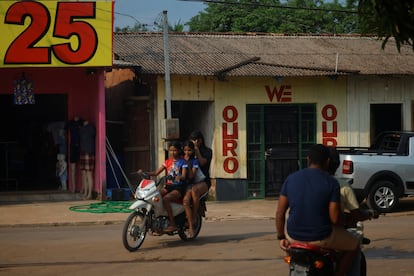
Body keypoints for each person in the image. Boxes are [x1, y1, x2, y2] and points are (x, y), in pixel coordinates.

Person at [276, 144, 359, 276]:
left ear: (308, 159)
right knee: (354, 245)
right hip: (320, 237)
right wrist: (347, 220)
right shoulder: (331, 183)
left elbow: (280, 214)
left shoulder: (291, 178)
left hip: (292, 237)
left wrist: (281, 237)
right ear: (327, 161)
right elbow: (335, 218)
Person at [139, 141, 188, 233]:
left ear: (179, 151)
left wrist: (179, 177)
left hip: (178, 188)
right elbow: (156, 172)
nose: (172, 152)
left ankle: (172, 224)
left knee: (166, 199)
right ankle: (158, 216)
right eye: (171, 150)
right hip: (168, 186)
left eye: (175, 150)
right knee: (154, 196)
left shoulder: (183, 162)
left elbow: (184, 176)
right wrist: (144, 172)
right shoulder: (167, 162)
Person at [182, 140, 205, 238]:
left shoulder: (194, 161)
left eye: (189, 150)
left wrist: (187, 163)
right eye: (185, 150)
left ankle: (191, 225)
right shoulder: (179, 159)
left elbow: (191, 176)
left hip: (189, 185)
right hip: (178, 185)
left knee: (186, 202)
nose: (187, 152)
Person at [188, 130, 212, 224]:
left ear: (200, 140)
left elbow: (202, 162)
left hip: (204, 181)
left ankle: (193, 218)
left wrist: (196, 149)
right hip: (190, 179)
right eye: (192, 140)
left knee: (194, 190)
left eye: (195, 139)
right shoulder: (189, 151)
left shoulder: (207, 151)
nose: (194, 142)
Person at [79, 120, 95, 200]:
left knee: (89, 174)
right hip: (83, 151)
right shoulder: (82, 128)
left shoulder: (91, 128)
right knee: (84, 174)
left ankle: (89, 194)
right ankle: (85, 193)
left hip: (89, 152)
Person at [67, 116, 84, 193]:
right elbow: (63, 130)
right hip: (73, 147)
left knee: (83, 169)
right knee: (73, 170)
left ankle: (83, 188)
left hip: (80, 147)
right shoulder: (70, 123)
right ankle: (73, 188)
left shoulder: (82, 122)